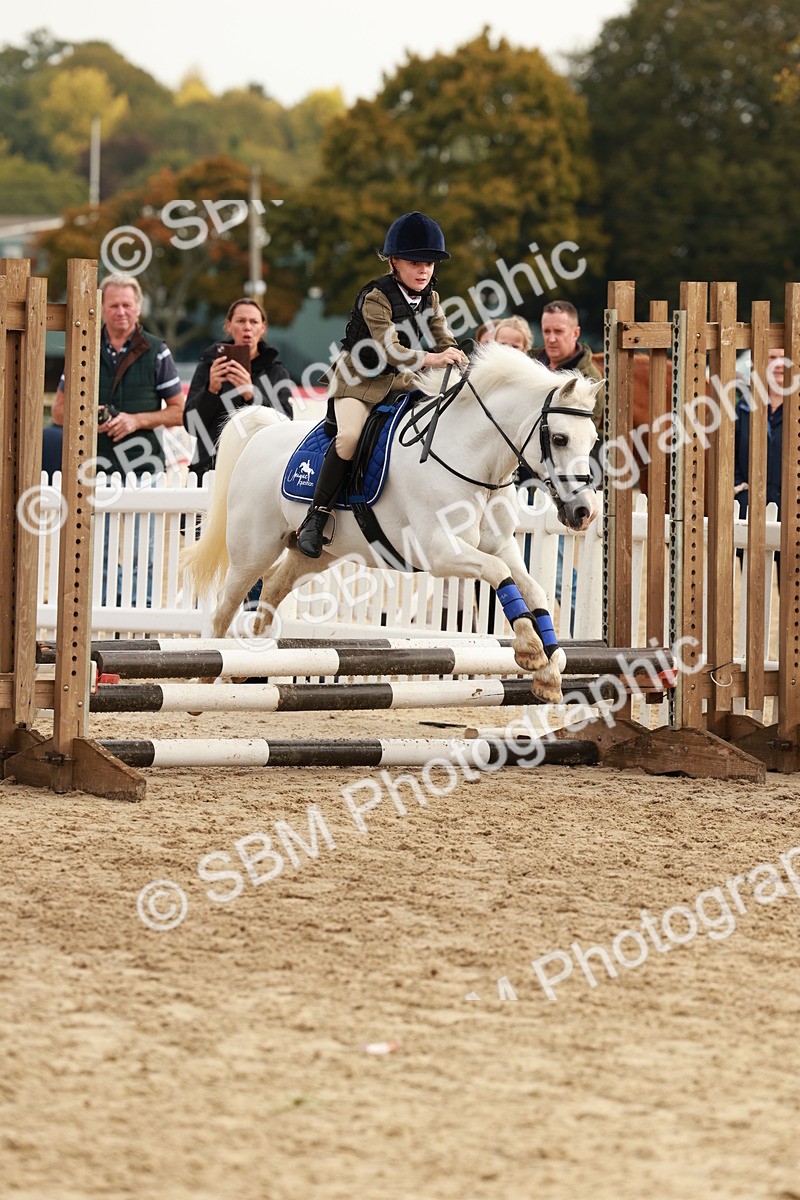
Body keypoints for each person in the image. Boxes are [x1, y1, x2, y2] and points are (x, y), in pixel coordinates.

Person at [296, 210, 466, 558]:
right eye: (415, 262)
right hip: (357, 380)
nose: (424, 271)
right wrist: (434, 359)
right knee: (349, 438)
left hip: (402, 381)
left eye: (430, 264)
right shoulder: (376, 296)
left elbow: (443, 338)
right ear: (393, 262)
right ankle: (316, 516)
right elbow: (391, 350)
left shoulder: (431, 298)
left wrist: (459, 355)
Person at [52, 273, 184, 605]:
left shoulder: (158, 350)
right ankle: (107, 615)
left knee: (144, 550)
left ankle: (143, 616)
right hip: (94, 465)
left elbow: (179, 411)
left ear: (138, 308)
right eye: (113, 305)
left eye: (127, 304)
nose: (120, 311)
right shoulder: (83, 346)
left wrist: (136, 420)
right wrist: (86, 416)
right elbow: (57, 412)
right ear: (102, 308)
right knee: (100, 550)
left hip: (145, 465)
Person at [183, 297, 293, 483]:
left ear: (263, 328)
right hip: (209, 471)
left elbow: (286, 426)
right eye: (241, 321)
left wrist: (252, 395)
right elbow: (191, 425)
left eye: (254, 321)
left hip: (256, 473)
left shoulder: (276, 372)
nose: (247, 327)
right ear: (228, 325)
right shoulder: (209, 366)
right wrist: (211, 390)